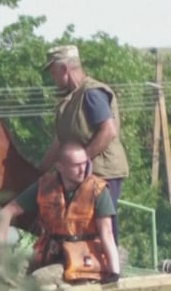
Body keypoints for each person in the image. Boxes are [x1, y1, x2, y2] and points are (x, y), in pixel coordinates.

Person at [38, 45, 129, 244]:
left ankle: (110, 270)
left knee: (102, 224)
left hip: (103, 170)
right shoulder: (70, 99)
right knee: (81, 224)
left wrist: (80, 161)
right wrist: (40, 172)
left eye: (54, 73)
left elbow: (108, 131)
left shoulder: (91, 94)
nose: (53, 78)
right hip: (82, 172)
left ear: (64, 69)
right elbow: (59, 140)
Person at [0, 142, 121, 285]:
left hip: (81, 258)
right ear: (60, 167)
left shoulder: (97, 190)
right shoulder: (45, 185)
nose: (83, 169)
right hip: (48, 253)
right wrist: (1, 260)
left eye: (84, 163)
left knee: (39, 279)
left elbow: (107, 233)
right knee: (2, 275)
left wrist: (114, 273)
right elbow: (5, 213)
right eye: (76, 165)